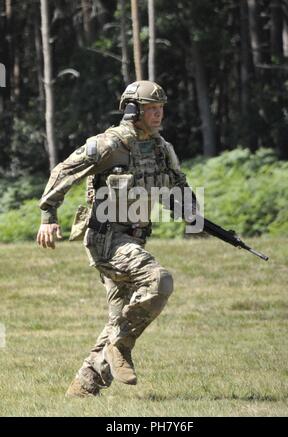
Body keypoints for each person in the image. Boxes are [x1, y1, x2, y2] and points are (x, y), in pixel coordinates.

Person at [36, 80, 197, 397]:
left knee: (118, 320)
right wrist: (48, 215)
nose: (158, 114)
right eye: (151, 108)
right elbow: (63, 171)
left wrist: (194, 215)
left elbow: (177, 188)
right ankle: (120, 345)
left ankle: (82, 389)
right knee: (159, 280)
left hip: (134, 241)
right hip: (105, 239)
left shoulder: (162, 149)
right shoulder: (110, 144)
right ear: (133, 110)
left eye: (161, 107)